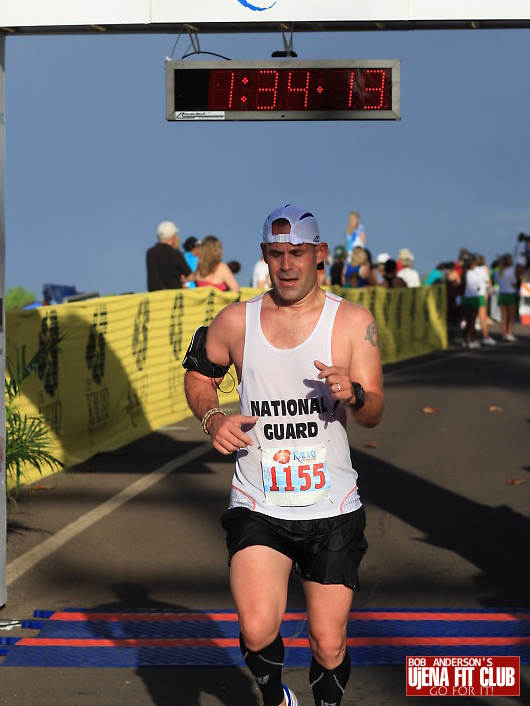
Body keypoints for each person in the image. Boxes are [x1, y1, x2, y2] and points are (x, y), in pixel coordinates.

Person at [184, 204, 384, 706]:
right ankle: (275, 697)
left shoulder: (352, 321)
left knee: (328, 641)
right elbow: (198, 373)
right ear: (264, 257)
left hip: (331, 506)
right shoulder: (235, 319)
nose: (287, 265)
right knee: (255, 628)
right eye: (277, 255)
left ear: (320, 254)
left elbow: (375, 410)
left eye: (297, 253)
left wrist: (355, 394)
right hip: (259, 501)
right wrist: (213, 418)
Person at [146, 220, 192, 291]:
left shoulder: (150, 253)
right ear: (173, 237)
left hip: (155, 298)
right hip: (173, 297)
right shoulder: (176, 254)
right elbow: (190, 276)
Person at [496, 253, 519, 341]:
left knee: (504, 316)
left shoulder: (499, 272)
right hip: (510, 294)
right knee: (511, 316)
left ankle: (504, 333)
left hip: (502, 294)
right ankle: (509, 333)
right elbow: (514, 284)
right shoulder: (510, 272)